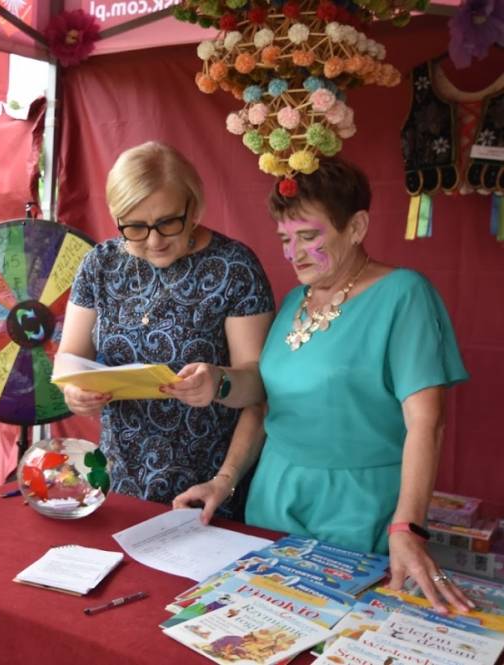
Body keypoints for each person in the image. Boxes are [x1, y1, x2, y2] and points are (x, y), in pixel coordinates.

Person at [171, 158, 473, 615]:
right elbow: (265, 404)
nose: (294, 254)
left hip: (360, 507)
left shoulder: (403, 294)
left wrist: (407, 526)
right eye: (285, 239)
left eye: (309, 236)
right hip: (273, 497)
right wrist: (223, 479)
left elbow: (427, 423)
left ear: (357, 227)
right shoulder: (294, 300)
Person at [58, 141, 275, 517]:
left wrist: (220, 382)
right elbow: (69, 357)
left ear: (194, 206)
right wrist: (74, 391)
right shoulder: (100, 265)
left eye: (168, 223)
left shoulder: (234, 267)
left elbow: (258, 387)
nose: (155, 240)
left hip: (210, 489)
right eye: (135, 228)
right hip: (120, 483)